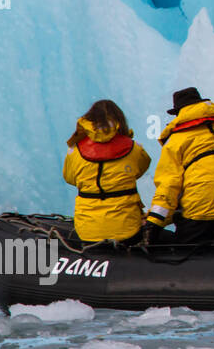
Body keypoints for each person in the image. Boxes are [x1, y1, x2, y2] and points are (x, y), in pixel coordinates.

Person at [145, 87, 214, 245]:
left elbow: (169, 185)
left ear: (179, 113)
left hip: (200, 209)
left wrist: (154, 222)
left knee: (185, 254)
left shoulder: (176, 140)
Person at [62, 100, 151, 244]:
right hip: (127, 229)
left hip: (87, 229)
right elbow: (140, 169)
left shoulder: (74, 150)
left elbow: (70, 178)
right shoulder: (135, 148)